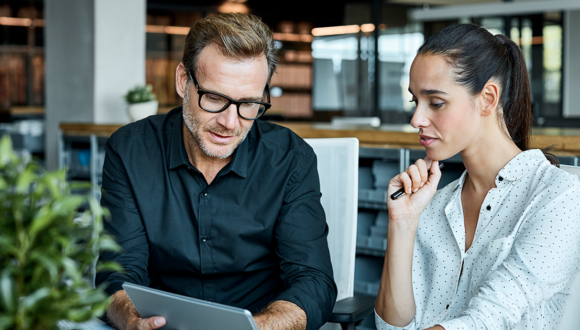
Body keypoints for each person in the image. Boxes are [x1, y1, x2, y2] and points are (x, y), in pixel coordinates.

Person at [96, 13, 337, 330]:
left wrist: (260, 327)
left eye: (249, 103)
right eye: (214, 98)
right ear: (184, 81)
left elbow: (312, 280)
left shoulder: (290, 159)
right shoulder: (129, 151)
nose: (230, 123)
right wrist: (132, 321)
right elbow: (118, 272)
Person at [374, 24, 580, 330]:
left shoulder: (559, 196)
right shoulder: (431, 203)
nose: (416, 119)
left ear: (487, 98)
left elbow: (488, 320)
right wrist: (402, 224)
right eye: (414, 101)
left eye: (436, 102)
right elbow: (392, 326)